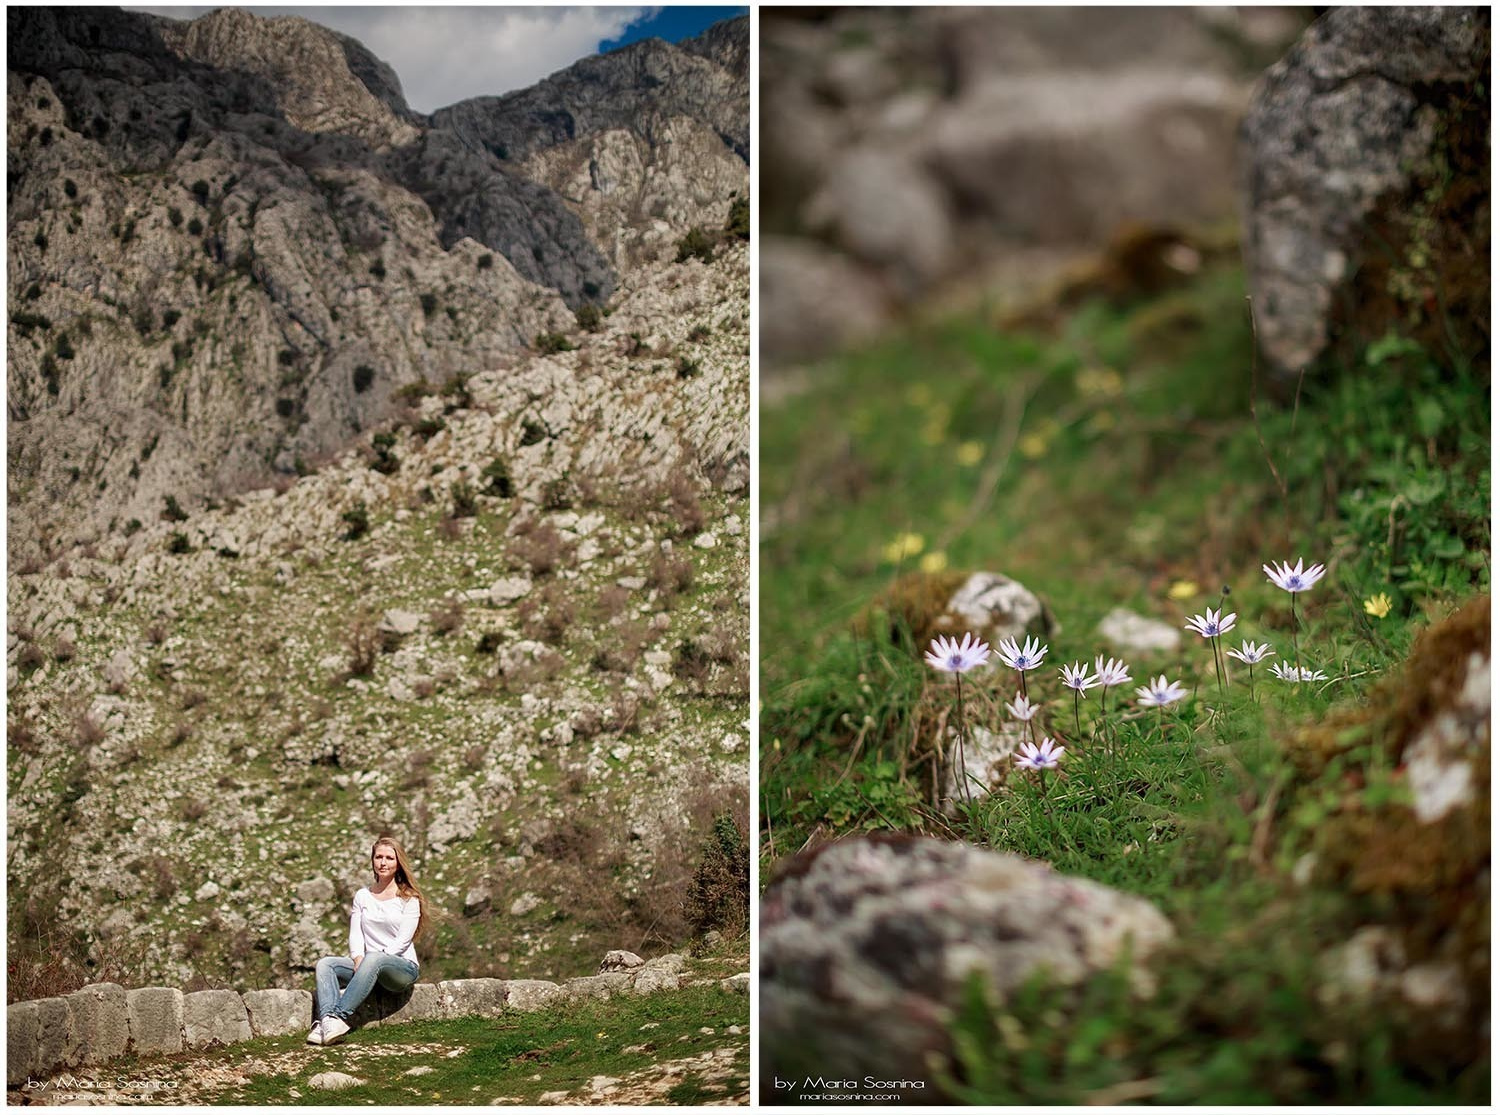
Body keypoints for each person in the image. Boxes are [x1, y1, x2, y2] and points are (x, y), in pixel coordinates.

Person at [308, 835, 427, 1045]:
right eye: (378, 857)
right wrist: (357, 958)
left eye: (389, 858)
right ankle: (327, 1021)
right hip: (368, 966)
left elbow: (402, 942)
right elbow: (356, 933)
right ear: (372, 860)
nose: (383, 862)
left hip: (401, 969)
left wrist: (371, 960)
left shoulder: (409, 898)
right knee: (326, 964)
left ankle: (339, 1017)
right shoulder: (363, 895)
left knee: (374, 959)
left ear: (398, 863)